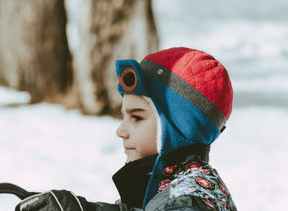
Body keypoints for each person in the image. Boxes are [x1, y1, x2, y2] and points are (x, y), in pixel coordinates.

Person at [15, 47, 237, 211]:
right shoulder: (167, 184)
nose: (121, 131)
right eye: (124, 116)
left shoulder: (189, 202)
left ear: (179, 130)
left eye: (137, 117)